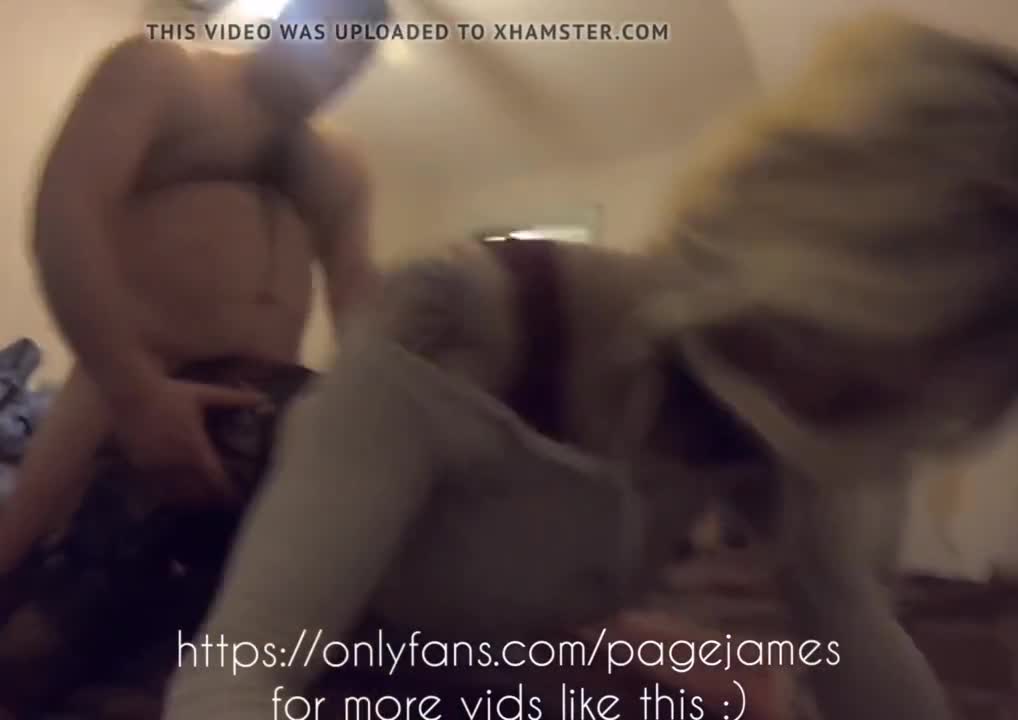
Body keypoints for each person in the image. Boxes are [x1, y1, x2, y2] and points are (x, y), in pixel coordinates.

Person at [0, 0, 389, 575]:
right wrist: (136, 392)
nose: (335, 64)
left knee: (201, 603)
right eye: (329, 35)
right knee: (22, 568)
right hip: (127, 385)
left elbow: (358, 300)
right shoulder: (165, 73)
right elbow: (66, 217)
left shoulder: (343, 166)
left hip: (253, 411)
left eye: (355, 59)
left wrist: (379, 410)